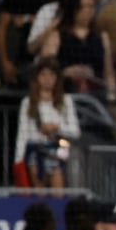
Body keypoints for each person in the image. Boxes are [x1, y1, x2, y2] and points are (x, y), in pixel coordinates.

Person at [14, 57, 80, 188]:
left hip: (58, 152)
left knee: (58, 193)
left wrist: (56, 127)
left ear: (57, 78)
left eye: (51, 74)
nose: (47, 79)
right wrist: (18, 161)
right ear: (37, 78)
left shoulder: (66, 101)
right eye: (43, 74)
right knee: (39, 195)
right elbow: (22, 135)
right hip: (35, 152)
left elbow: (75, 131)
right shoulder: (28, 103)